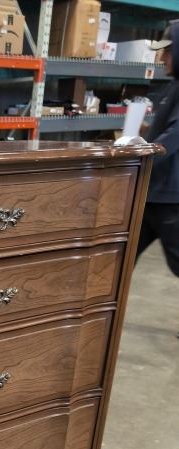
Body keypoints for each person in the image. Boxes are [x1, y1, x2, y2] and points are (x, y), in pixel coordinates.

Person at [136, 21, 179, 276]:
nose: (161, 57)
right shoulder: (173, 86)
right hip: (152, 193)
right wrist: (145, 131)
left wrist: (139, 155)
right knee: (121, 256)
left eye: (168, 51)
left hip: (171, 199)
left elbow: (173, 137)